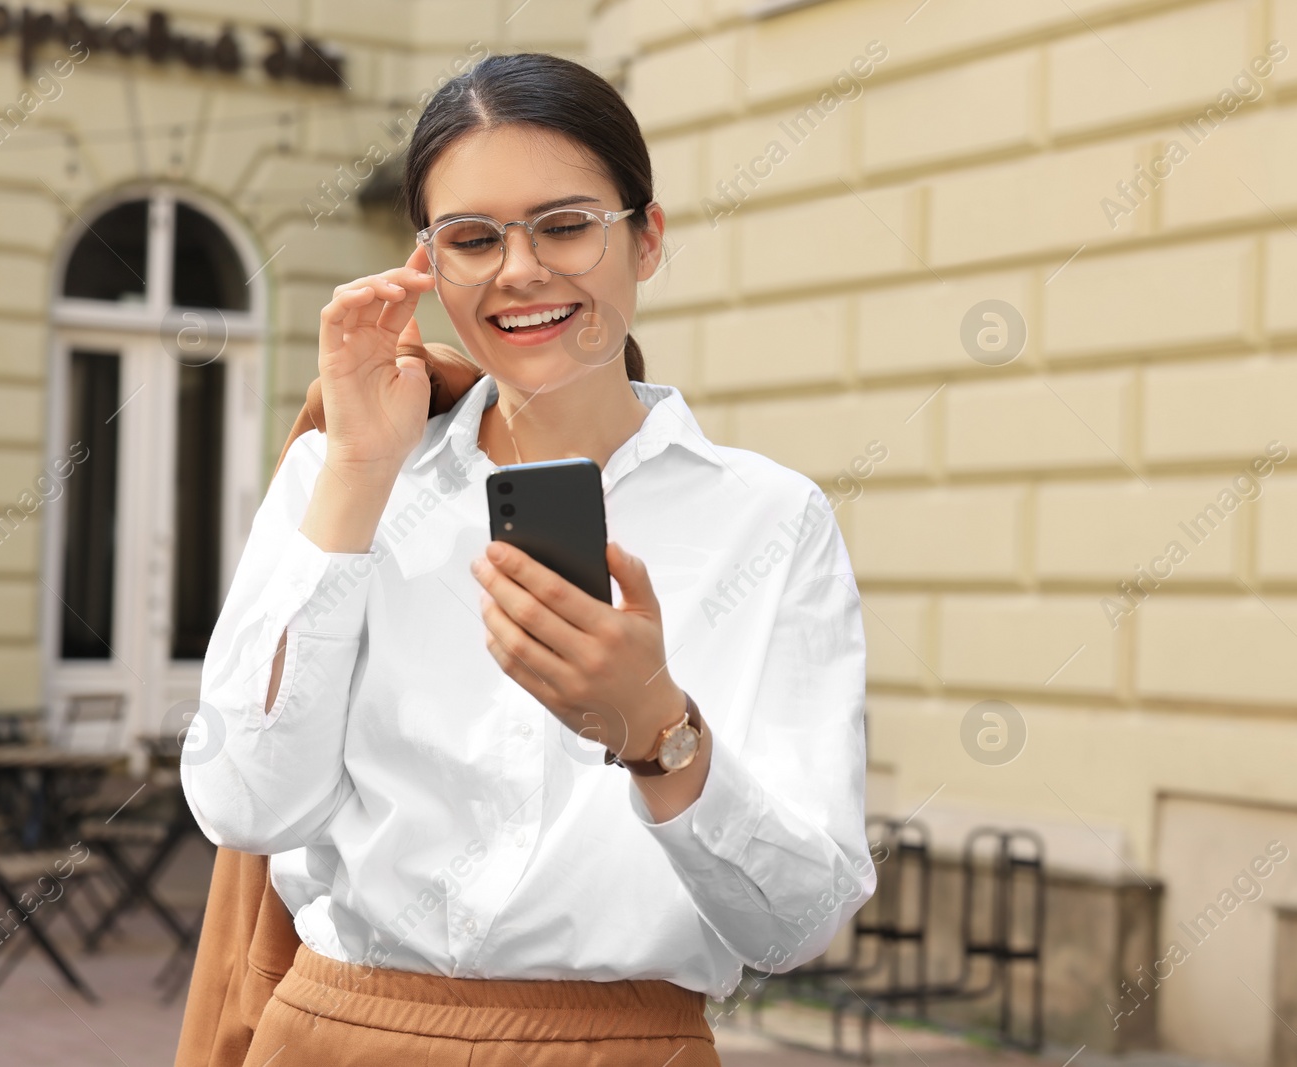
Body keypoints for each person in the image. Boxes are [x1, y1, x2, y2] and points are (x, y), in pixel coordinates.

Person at [179, 51, 875, 1066]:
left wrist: (659, 732)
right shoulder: (348, 476)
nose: (519, 271)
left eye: (564, 224)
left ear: (646, 237)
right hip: (336, 1035)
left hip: (614, 1045)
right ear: (427, 260)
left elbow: (797, 923)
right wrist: (360, 476)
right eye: (472, 238)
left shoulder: (768, 518)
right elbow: (246, 801)